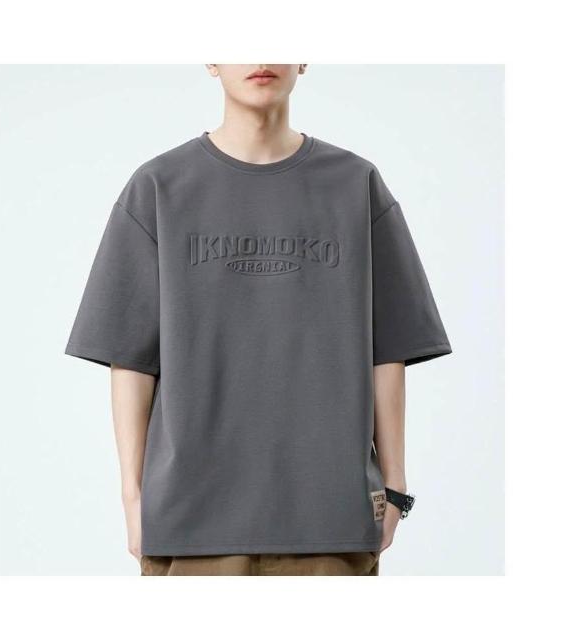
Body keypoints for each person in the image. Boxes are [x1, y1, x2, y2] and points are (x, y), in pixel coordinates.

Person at [65, 64, 452, 576]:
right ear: (210, 59)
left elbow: (390, 348)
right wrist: (132, 499)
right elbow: (130, 359)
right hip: (191, 521)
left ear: (303, 58)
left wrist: (395, 487)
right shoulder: (159, 187)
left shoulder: (354, 185)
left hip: (329, 519)